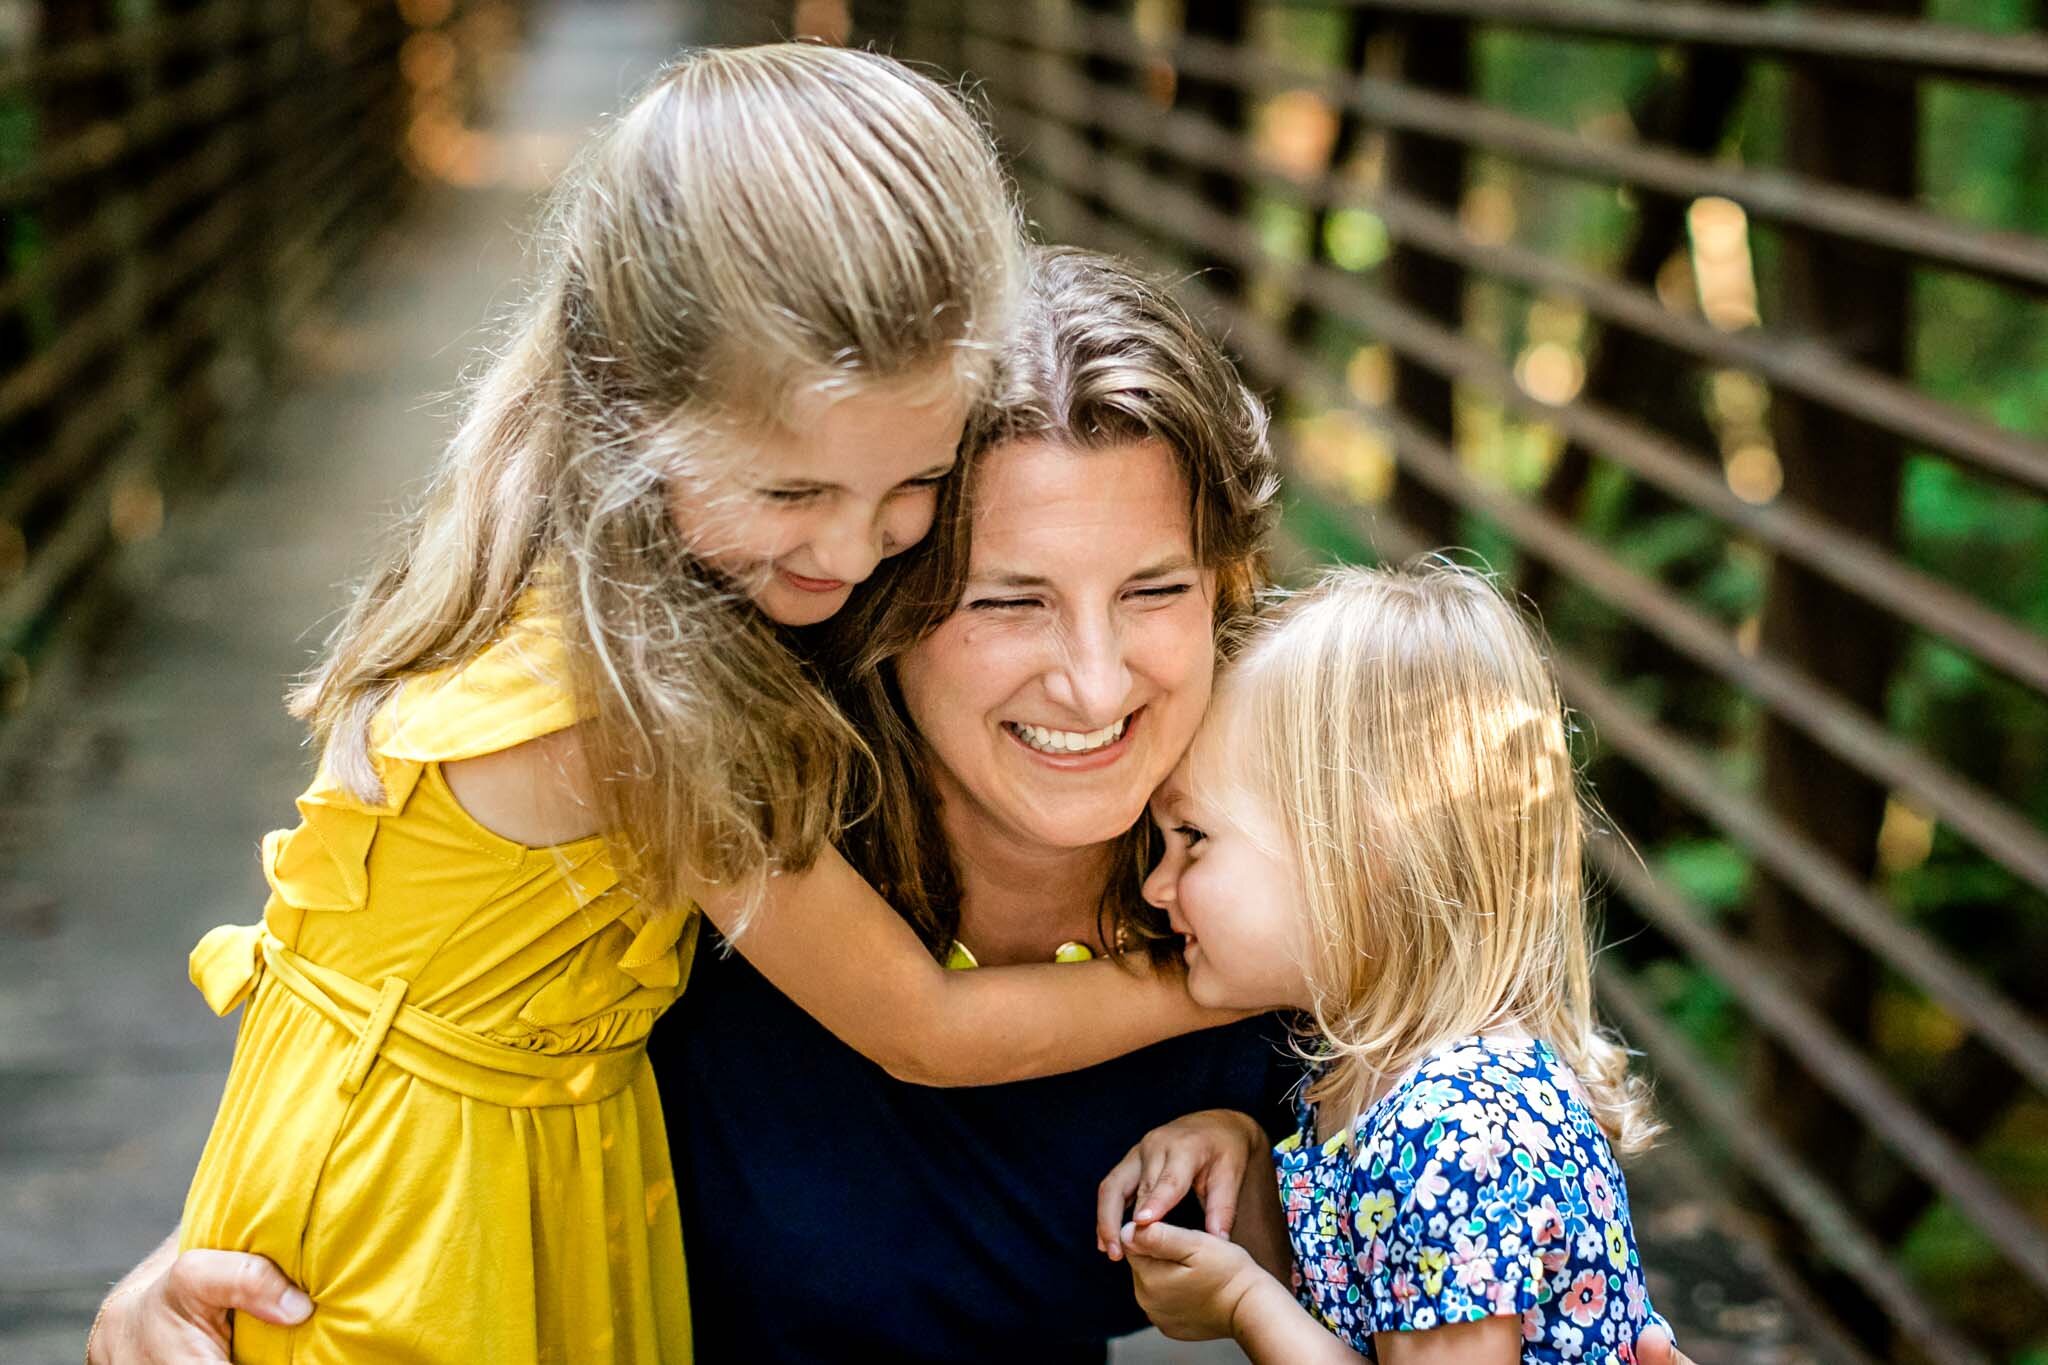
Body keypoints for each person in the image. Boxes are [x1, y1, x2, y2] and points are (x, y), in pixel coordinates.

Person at [95, 250, 1693, 1365]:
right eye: (1005, 598)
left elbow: (1480, 1256)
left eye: (1152, 589)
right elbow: (411, 1005)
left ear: (1228, 592)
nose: (1090, 681)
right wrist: (200, 1267)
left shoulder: (1295, 919)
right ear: (883, 600)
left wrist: (1277, 1194)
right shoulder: (723, 833)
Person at [101, 53, 1231, 1365]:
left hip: (493, 1131)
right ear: (637, 406)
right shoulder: (626, 704)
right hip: (435, 1196)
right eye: (796, 495)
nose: (858, 552)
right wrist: (1212, 983)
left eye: (914, 486)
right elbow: (921, 1025)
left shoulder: (630, 536)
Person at [1098, 565, 1669, 1362]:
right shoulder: (1371, 1083)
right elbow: (1344, 1321)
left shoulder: (1458, 1131)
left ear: (1365, 854)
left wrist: (1240, 1300)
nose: (1158, 886)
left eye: (1193, 836)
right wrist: (1252, 1161)